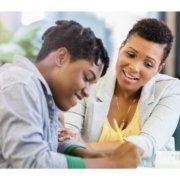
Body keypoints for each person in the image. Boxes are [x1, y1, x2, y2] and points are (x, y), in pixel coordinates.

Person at [0, 20, 143, 168]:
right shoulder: (21, 86)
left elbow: (55, 139)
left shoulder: (43, 94)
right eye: (87, 78)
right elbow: (33, 163)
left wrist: (88, 154)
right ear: (61, 57)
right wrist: (108, 164)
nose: (87, 92)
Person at [63, 18, 180, 167]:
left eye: (148, 64)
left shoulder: (170, 90)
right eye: (131, 55)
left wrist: (88, 147)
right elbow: (67, 135)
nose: (134, 67)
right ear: (121, 48)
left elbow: (147, 144)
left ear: (159, 68)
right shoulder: (90, 81)